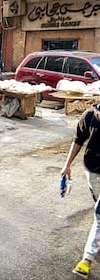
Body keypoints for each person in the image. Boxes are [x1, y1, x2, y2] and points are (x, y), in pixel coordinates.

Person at [61, 104, 100, 279]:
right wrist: (67, 165)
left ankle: (87, 259)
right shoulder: (90, 115)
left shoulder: (90, 114)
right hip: (93, 172)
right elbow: (78, 139)